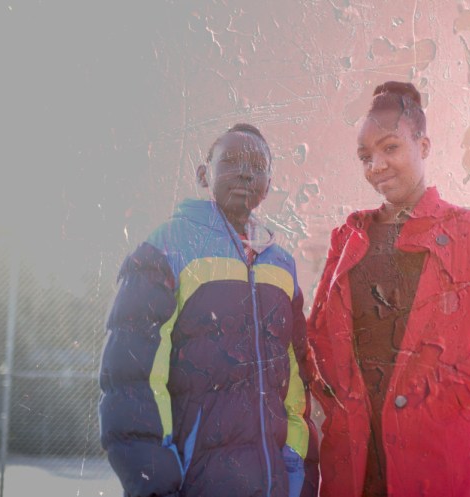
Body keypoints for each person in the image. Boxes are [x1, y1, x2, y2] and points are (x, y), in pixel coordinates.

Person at [306, 82, 470, 497]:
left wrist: (448, 394)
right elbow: (316, 340)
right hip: (350, 469)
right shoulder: (347, 237)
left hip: (436, 463)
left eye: (390, 148)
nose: (376, 165)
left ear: (424, 145)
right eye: (365, 156)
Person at [98, 123, 319, 497]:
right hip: (193, 485)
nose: (246, 172)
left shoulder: (282, 265)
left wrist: (296, 474)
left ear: (269, 182)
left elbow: (295, 386)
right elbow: (131, 381)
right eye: (231, 160)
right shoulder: (165, 247)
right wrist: (156, 482)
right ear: (203, 174)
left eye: (258, 165)